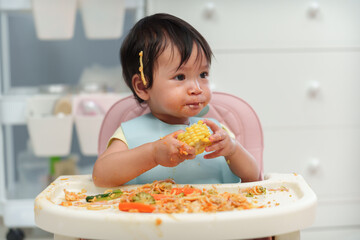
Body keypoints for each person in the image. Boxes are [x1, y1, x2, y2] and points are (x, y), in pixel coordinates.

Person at [92, 13, 260, 187]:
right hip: (149, 213)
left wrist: (233, 150)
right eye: (180, 77)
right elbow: (100, 176)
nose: (197, 88)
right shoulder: (129, 134)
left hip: (216, 211)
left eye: (203, 74)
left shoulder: (217, 131)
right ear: (142, 87)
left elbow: (254, 177)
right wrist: (152, 154)